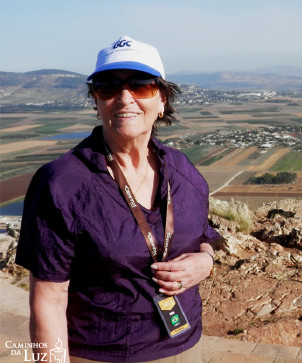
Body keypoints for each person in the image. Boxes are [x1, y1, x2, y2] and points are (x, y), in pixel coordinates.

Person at [15, 35, 220, 362]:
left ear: (162, 100)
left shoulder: (183, 170)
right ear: (96, 101)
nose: (125, 97)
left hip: (185, 344)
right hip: (102, 354)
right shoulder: (62, 183)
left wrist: (205, 262)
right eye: (107, 87)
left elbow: (205, 232)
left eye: (141, 85)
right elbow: (48, 300)